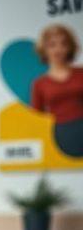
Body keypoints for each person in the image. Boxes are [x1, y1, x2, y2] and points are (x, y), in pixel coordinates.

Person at [31, 24, 83, 158]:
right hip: (62, 134)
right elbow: (37, 117)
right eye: (52, 45)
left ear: (70, 47)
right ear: (44, 49)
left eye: (63, 44)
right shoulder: (39, 84)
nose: (58, 49)